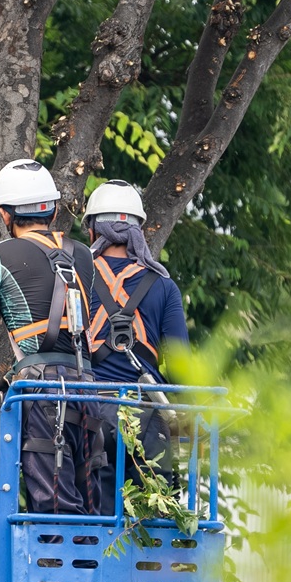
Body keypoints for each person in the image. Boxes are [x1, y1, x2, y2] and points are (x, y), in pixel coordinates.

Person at [0, 158, 106, 514]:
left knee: (53, 501)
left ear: (6, 215)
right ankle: (90, 567)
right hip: (87, 385)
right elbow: (81, 333)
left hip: (43, 394)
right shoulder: (83, 256)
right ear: (52, 211)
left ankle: (55, 567)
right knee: (90, 498)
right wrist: (8, 378)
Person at [80, 179, 190, 495]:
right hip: (148, 419)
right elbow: (182, 368)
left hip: (89, 417)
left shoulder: (76, 278)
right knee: (154, 519)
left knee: (92, 519)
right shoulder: (164, 286)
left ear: (92, 230)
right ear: (138, 232)